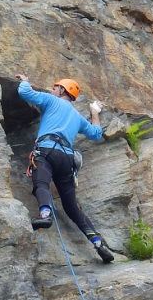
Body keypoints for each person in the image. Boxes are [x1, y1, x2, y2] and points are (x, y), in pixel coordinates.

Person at [16, 72, 114, 263]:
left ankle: (45, 214)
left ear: (62, 90)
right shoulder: (77, 117)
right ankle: (97, 243)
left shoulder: (51, 101)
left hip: (47, 151)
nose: (52, 90)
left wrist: (25, 81)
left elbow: (25, 93)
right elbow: (95, 133)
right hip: (67, 159)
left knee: (41, 184)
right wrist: (94, 111)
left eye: (55, 88)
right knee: (72, 208)